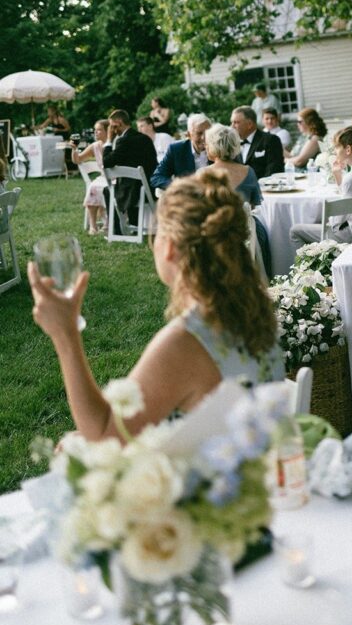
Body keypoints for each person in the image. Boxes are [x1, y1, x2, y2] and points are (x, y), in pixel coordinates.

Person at [28, 170, 283, 442]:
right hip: (256, 468)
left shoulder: (187, 342)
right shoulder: (255, 310)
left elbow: (105, 437)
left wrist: (65, 334)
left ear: (170, 247)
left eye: (156, 232)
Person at [290, 125, 352, 248]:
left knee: (295, 230)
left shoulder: (351, 178)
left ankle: (308, 266)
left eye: (337, 147)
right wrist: (337, 175)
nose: (335, 151)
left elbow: (337, 222)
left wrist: (325, 221)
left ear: (348, 150)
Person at [205, 124, 272, 277]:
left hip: (215, 232)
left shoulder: (203, 174)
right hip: (245, 231)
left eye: (207, 143)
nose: (205, 146)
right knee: (262, 233)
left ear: (214, 146)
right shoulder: (248, 171)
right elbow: (254, 204)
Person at [102, 109, 158, 229]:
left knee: (107, 190)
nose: (111, 130)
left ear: (119, 123)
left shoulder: (123, 141)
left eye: (112, 126)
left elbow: (106, 162)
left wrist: (108, 140)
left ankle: (116, 230)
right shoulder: (145, 138)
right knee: (127, 183)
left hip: (133, 192)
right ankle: (133, 224)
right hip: (150, 187)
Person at [150, 113, 212, 190]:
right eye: (199, 133)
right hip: (188, 196)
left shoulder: (218, 148)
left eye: (208, 132)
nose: (204, 137)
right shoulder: (176, 150)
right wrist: (179, 186)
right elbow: (156, 177)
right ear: (189, 135)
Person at [71, 119, 108, 235]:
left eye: (99, 130)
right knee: (93, 187)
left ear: (108, 131)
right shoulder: (95, 146)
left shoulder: (116, 144)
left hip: (115, 177)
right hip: (103, 177)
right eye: (95, 130)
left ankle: (107, 224)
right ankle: (93, 226)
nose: (96, 133)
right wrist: (74, 149)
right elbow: (77, 160)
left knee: (105, 189)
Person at [230, 106, 284, 179]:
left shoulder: (271, 140)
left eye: (236, 122)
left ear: (249, 124)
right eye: (232, 122)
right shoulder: (233, 143)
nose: (232, 126)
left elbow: (274, 171)